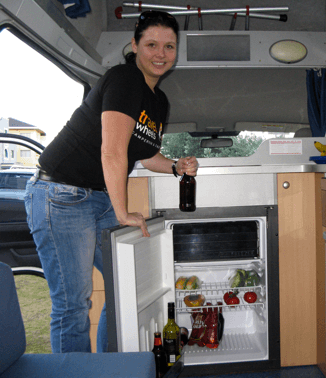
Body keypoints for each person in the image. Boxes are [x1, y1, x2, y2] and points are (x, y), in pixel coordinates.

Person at [24, 10, 197, 353]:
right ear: (134, 45)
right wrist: (123, 211)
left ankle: (107, 366)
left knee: (125, 289)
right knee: (73, 306)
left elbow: (143, 153)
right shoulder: (124, 78)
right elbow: (113, 151)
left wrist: (177, 166)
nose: (160, 53)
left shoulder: (159, 102)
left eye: (169, 46)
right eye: (151, 44)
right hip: (61, 193)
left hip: (98, 198)